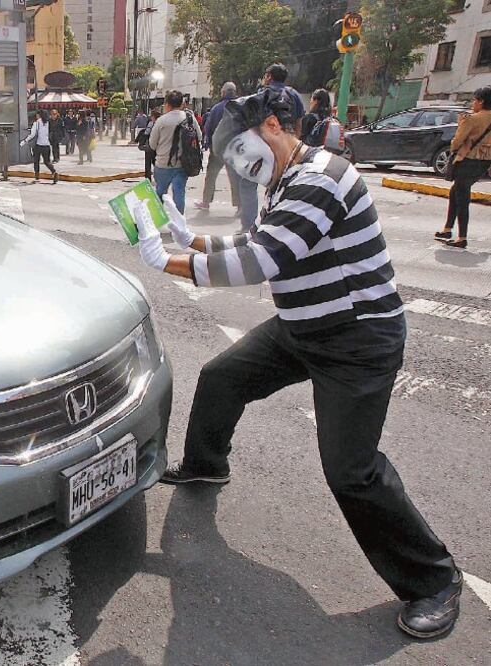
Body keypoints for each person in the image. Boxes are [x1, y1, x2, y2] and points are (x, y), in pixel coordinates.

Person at [130, 87, 461, 640]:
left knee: (352, 472)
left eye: (240, 147)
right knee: (222, 378)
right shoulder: (287, 177)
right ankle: (208, 463)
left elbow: (263, 260)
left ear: (275, 126)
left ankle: (435, 580)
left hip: (356, 340)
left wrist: (167, 260)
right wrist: (195, 240)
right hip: (303, 327)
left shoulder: (320, 178)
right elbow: (261, 238)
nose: (239, 162)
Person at [435, 86, 491, 249]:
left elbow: (457, 141)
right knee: (455, 192)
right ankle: (447, 229)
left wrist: (455, 144)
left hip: (467, 160)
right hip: (484, 161)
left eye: (474, 100)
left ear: (481, 102)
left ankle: (462, 237)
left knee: (462, 197)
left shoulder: (472, 119)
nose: (473, 103)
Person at [149, 90, 197, 214]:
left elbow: (152, 144)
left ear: (167, 104)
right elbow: (199, 137)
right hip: (182, 164)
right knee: (179, 194)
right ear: (182, 104)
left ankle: (156, 219)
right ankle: (178, 221)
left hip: (163, 164)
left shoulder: (161, 121)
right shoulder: (189, 118)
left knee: (160, 193)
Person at [196, 82, 240, 212]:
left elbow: (208, 127)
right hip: (234, 150)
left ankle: (206, 202)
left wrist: (208, 144)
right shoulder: (240, 107)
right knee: (235, 177)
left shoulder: (216, 108)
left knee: (211, 176)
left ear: (224, 93)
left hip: (217, 149)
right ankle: (240, 205)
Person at [22, 109, 59, 184]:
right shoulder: (48, 123)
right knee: (47, 162)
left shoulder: (37, 123)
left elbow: (32, 135)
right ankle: (54, 172)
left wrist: (24, 141)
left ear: (39, 115)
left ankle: (37, 176)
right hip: (47, 145)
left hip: (38, 145)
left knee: (36, 161)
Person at [142, 107, 160, 181]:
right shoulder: (161, 124)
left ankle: (148, 178)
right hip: (158, 146)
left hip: (150, 145)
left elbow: (146, 133)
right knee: (156, 162)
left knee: (148, 163)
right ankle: (158, 177)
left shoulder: (151, 123)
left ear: (153, 116)